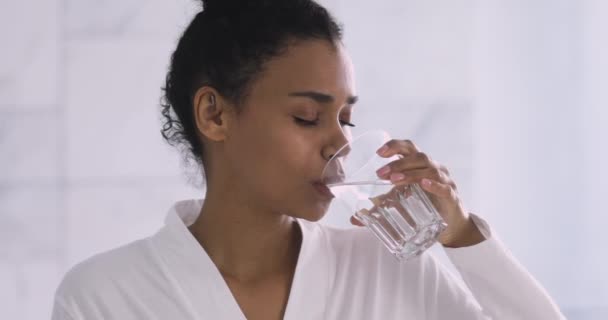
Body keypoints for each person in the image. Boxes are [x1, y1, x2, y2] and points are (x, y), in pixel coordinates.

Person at [51, 0, 566, 319]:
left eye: (346, 119)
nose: (338, 144)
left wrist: (461, 237)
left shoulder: (385, 269)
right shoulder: (104, 296)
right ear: (214, 115)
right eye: (306, 117)